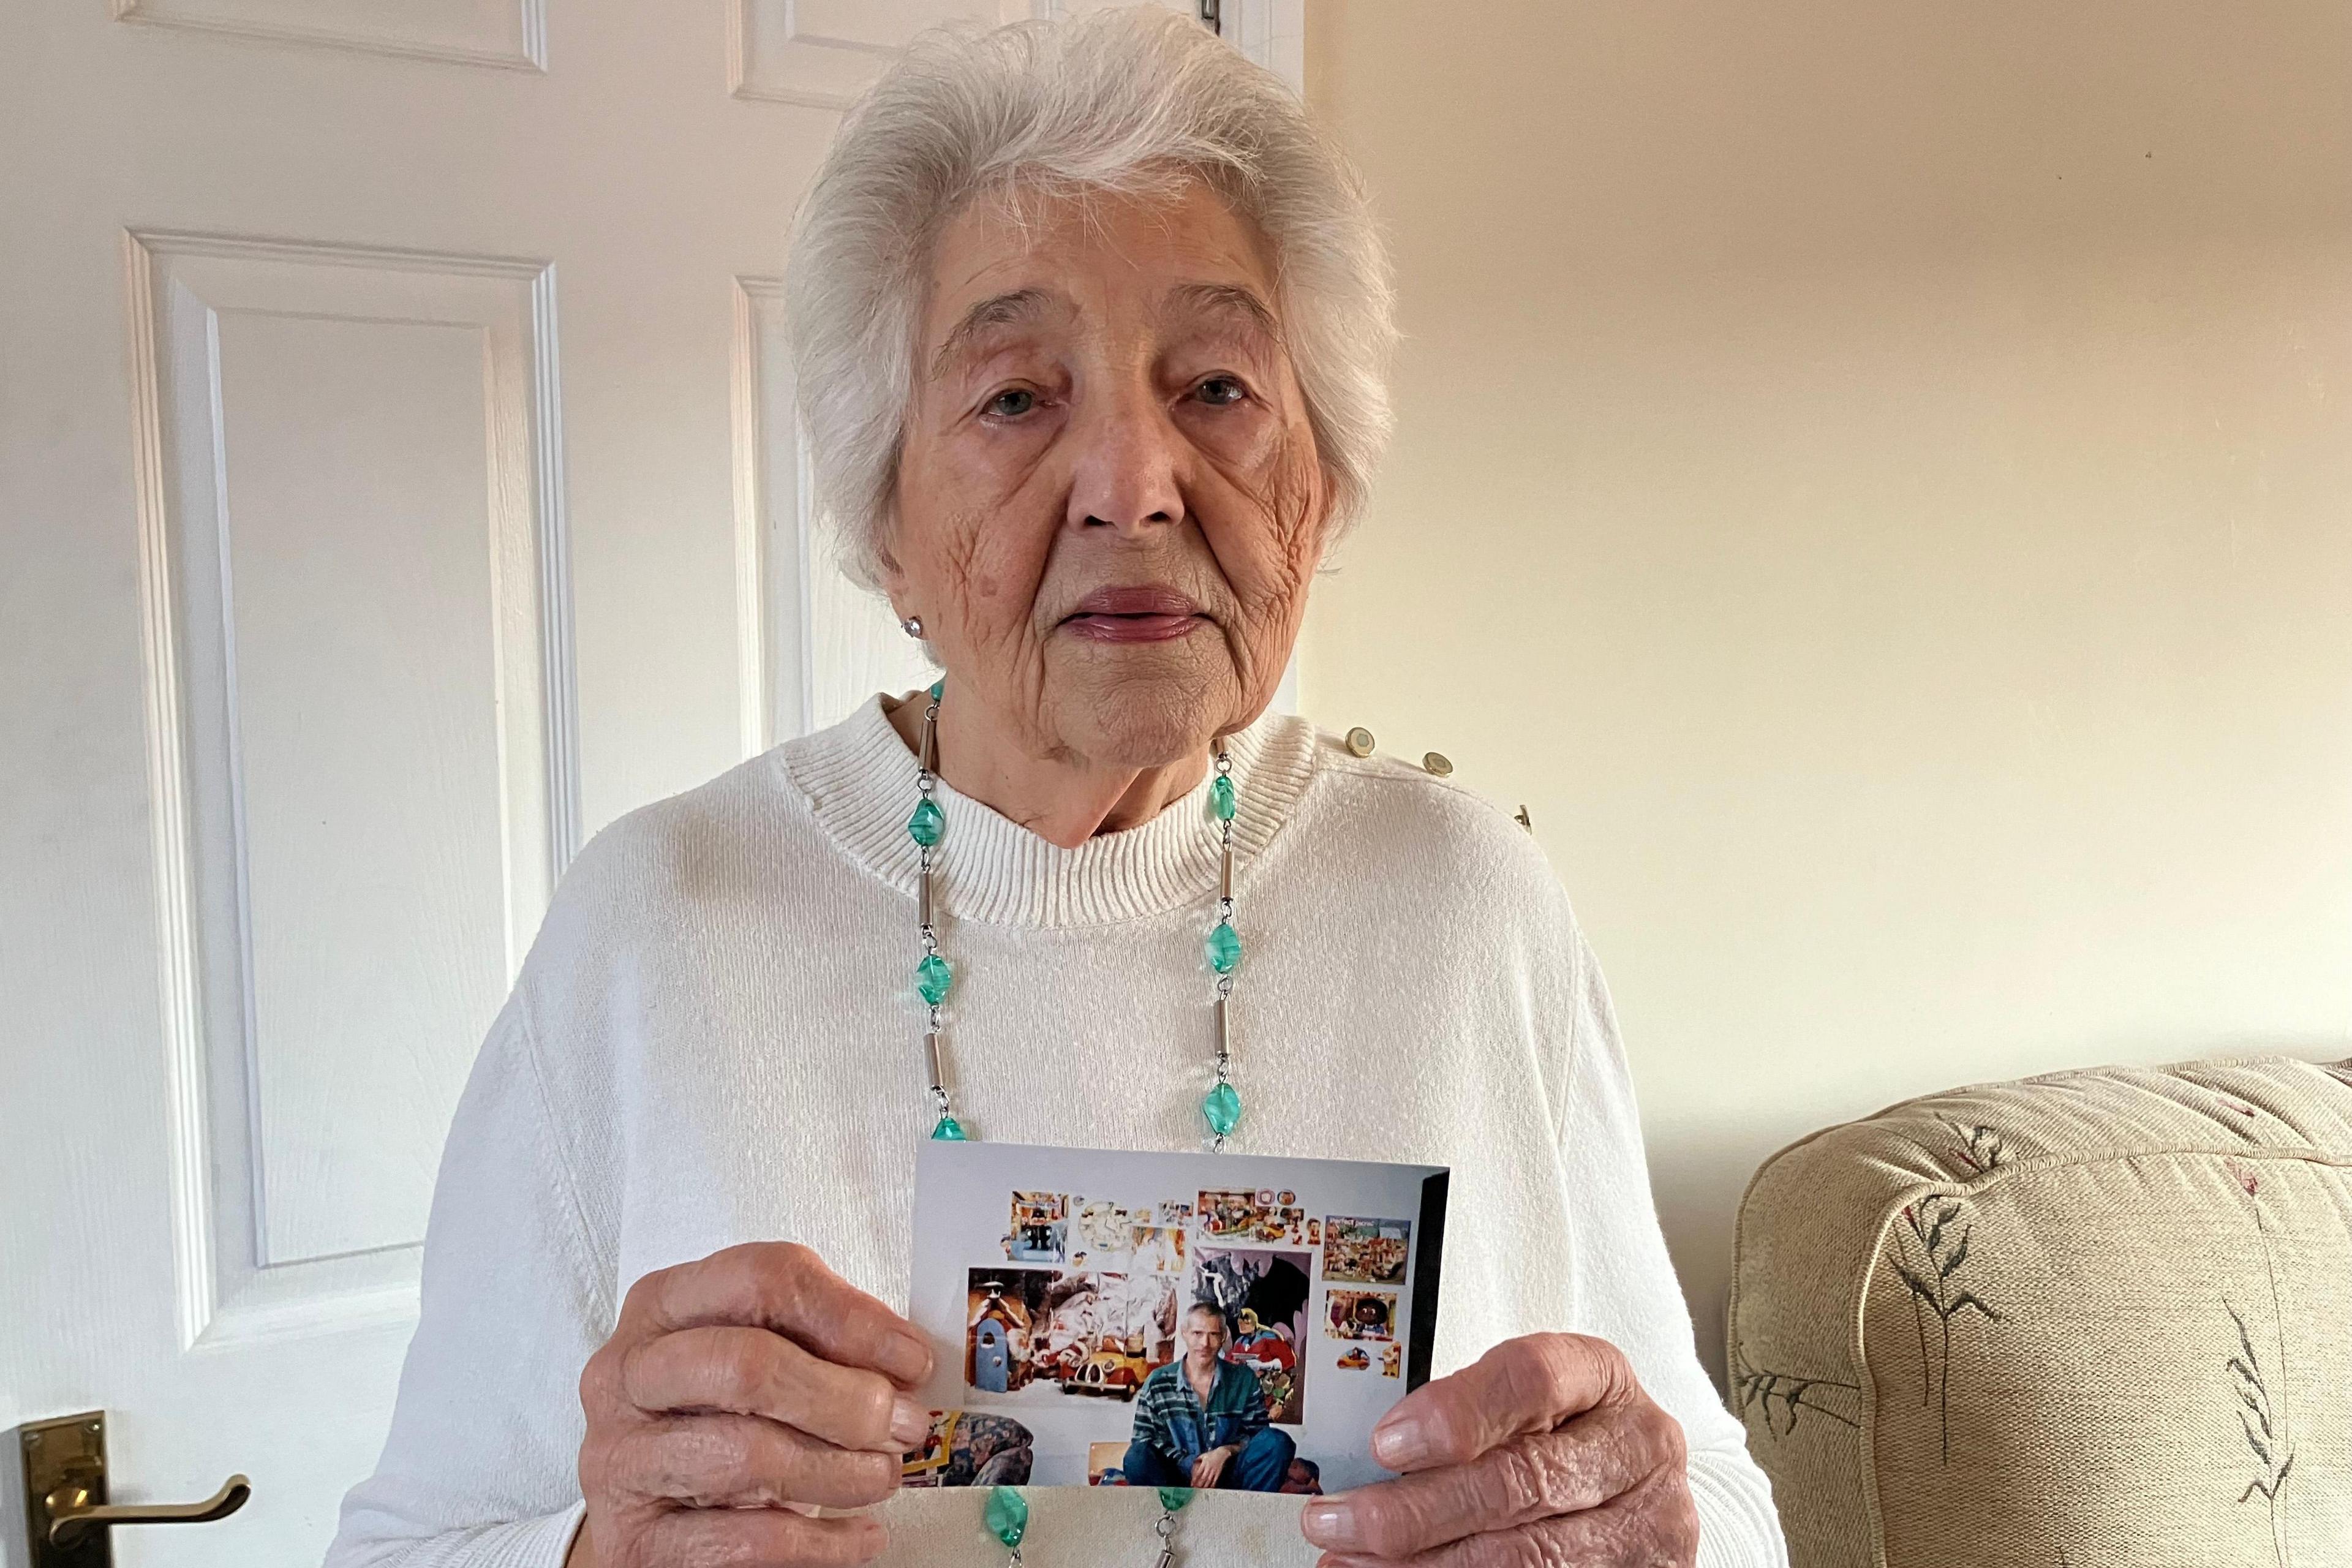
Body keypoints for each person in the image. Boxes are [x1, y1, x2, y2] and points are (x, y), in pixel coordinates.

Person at [324, 10, 1789, 1567]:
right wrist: (598, 1550)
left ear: (1323, 476)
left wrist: (1637, 1532)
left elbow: (1717, 1496)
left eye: (1216, 386)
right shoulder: (658, 926)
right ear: (883, 516)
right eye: (1018, 396)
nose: (1136, 483)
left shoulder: (1468, 898)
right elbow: (401, 1541)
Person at [1121, 1304, 1296, 1492]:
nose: (1205, 1343)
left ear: (1223, 1337)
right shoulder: (1158, 1383)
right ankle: (1167, 1516)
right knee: (1136, 1457)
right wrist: (1190, 1463)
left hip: (1231, 1478)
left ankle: (1247, 1516)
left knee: (1277, 1442)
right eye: (1197, 1333)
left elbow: (1257, 1436)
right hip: (1174, 1480)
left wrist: (1224, 1452)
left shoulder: (1243, 1380)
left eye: (1213, 1334)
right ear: (1184, 1333)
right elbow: (1144, 1440)